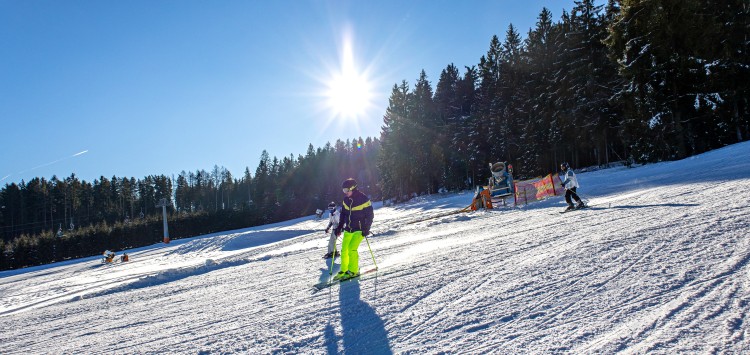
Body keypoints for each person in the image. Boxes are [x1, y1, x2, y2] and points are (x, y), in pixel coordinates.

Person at [333, 178, 374, 281]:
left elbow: (370, 215)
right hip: (348, 229)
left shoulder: (363, 199)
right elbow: (343, 214)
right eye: (343, 191)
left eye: (346, 190)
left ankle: (354, 271)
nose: (345, 193)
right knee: (344, 250)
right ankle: (344, 270)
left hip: (359, 229)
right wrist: (339, 227)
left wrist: (367, 228)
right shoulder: (346, 200)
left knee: (352, 248)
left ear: (353, 188)